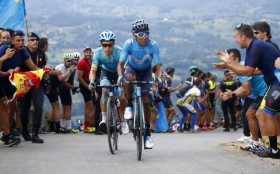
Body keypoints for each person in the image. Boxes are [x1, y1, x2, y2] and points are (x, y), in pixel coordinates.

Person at [215, 23, 280, 158]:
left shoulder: (255, 46)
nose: (235, 40)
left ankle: (273, 149)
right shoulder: (253, 47)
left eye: (236, 37)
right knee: (263, 113)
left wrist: (228, 63)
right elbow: (256, 70)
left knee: (266, 113)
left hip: (277, 81)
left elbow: (247, 72)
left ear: (243, 37)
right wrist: (230, 65)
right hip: (274, 82)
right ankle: (272, 149)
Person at [117, 19, 161, 149]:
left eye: (146, 33)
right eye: (141, 34)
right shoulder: (129, 44)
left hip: (146, 71)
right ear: (134, 35)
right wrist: (120, 76)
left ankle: (147, 134)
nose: (144, 37)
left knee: (147, 101)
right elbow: (120, 64)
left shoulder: (153, 45)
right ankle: (129, 105)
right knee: (128, 78)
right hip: (131, 68)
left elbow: (158, 66)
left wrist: (157, 79)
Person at [222, 48, 267, 152]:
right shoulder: (240, 68)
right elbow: (245, 88)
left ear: (235, 59)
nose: (226, 61)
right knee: (253, 114)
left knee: (251, 114)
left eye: (229, 59)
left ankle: (259, 143)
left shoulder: (241, 69)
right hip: (262, 92)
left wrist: (232, 94)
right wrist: (233, 93)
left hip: (266, 90)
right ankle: (258, 142)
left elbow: (247, 91)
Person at [0, 31, 38, 146]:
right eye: (18, 40)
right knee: (3, 106)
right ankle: (6, 135)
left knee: (12, 107)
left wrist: (43, 72)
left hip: (9, 82)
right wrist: (4, 58)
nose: (21, 43)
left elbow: (32, 67)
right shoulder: (4, 49)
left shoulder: (23, 51)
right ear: (12, 41)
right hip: (1, 79)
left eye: (22, 40)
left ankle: (9, 131)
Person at [89, 31, 128, 134]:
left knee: (122, 97)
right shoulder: (97, 53)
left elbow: (123, 68)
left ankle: (123, 121)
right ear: (101, 44)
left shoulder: (120, 52)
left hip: (118, 73)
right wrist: (92, 81)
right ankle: (104, 119)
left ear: (113, 44)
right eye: (104, 45)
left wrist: (121, 77)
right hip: (106, 73)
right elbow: (93, 70)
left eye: (109, 45)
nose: (107, 48)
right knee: (104, 89)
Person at [19, 32, 46, 144]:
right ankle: (25, 131)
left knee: (38, 106)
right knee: (24, 109)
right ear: (27, 42)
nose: (34, 41)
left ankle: (35, 133)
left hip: (37, 84)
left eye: (36, 39)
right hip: (24, 83)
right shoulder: (22, 52)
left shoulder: (41, 53)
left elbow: (43, 67)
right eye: (31, 39)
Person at [55, 52, 77, 133]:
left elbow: (68, 80)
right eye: (67, 61)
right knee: (66, 107)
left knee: (66, 107)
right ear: (64, 60)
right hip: (58, 88)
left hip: (64, 88)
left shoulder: (70, 67)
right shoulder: (60, 67)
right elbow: (62, 80)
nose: (69, 62)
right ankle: (65, 126)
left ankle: (64, 126)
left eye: (70, 61)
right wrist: (69, 71)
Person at [77, 47, 96, 134]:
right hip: (85, 86)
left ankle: (89, 125)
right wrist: (87, 86)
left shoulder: (91, 62)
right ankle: (87, 126)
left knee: (90, 106)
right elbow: (79, 77)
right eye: (86, 52)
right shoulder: (82, 63)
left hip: (90, 85)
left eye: (89, 52)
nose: (88, 54)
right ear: (84, 53)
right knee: (89, 106)